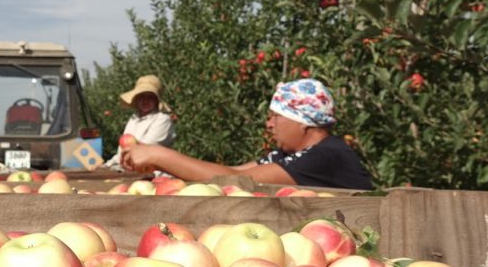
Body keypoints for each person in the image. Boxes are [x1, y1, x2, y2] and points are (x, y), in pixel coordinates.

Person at [121, 78, 373, 190]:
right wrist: (161, 164)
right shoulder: (285, 155)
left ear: (302, 122)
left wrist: (159, 154)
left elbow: (237, 182)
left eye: (276, 116)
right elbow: (234, 171)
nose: (269, 124)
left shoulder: (327, 155)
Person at [104, 75, 176, 170]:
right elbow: (122, 151)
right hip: (129, 172)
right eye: (142, 96)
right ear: (137, 99)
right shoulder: (134, 119)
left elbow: (147, 152)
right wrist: (107, 165)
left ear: (156, 100)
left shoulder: (162, 119)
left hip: (153, 175)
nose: (145, 100)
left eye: (150, 97)